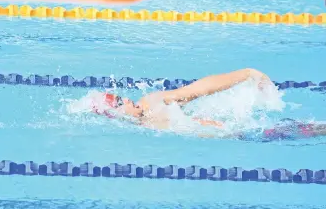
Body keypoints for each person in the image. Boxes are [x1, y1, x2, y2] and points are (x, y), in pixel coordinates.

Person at [87, 68, 326, 140]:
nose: (126, 98)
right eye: (119, 102)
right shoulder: (141, 130)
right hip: (240, 135)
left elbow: (196, 90)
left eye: (121, 96)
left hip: (243, 131)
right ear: (116, 115)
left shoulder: (153, 102)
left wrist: (245, 74)